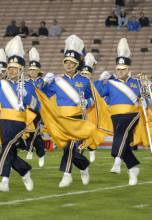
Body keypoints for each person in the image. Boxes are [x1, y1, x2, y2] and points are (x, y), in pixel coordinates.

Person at [0, 36, 40, 192]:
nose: (11, 70)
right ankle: (25, 170)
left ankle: (4, 181)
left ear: (21, 69)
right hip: (3, 121)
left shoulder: (27, 85)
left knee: (6, 149)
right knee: (9, 150)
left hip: (19, 123)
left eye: (15, 68)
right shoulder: (0, 84)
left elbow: (36, 106)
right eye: (9, 68)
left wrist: (26, 95)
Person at [41, 35, 95, 188]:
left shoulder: (85, 80)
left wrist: (88, 102)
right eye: (66, 62)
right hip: (61, 119)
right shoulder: (57, 80)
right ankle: (84, 166)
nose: (69, 65)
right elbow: (44, 95)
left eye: (72, 62)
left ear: (77, 64)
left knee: (71, 147)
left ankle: (67, 175)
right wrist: (44, 82)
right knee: (66, 147)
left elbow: (92, 99)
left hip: (77, 118)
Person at [94, 38, 142, 186]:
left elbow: (144, 96)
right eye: (118, 69)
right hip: (115, 115)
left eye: (123, 69)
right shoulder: (111, 83)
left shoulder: (136, 82)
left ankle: (117, 160)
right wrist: (100, 80)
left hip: (132, 114)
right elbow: (97, 93)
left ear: (128, 69)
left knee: (121, 133)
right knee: (123, 141)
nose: (120, 72)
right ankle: (133, 168)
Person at [25, 47, 45, 168]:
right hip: (27, 110)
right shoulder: (25, 82)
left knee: (36, 133)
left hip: (38, 110)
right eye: (31, 69)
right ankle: (30, 150)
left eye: (34, 70)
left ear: (38, 71)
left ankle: (40, 154)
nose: (32, 72)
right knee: (28, 132)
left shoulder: (42, 82)